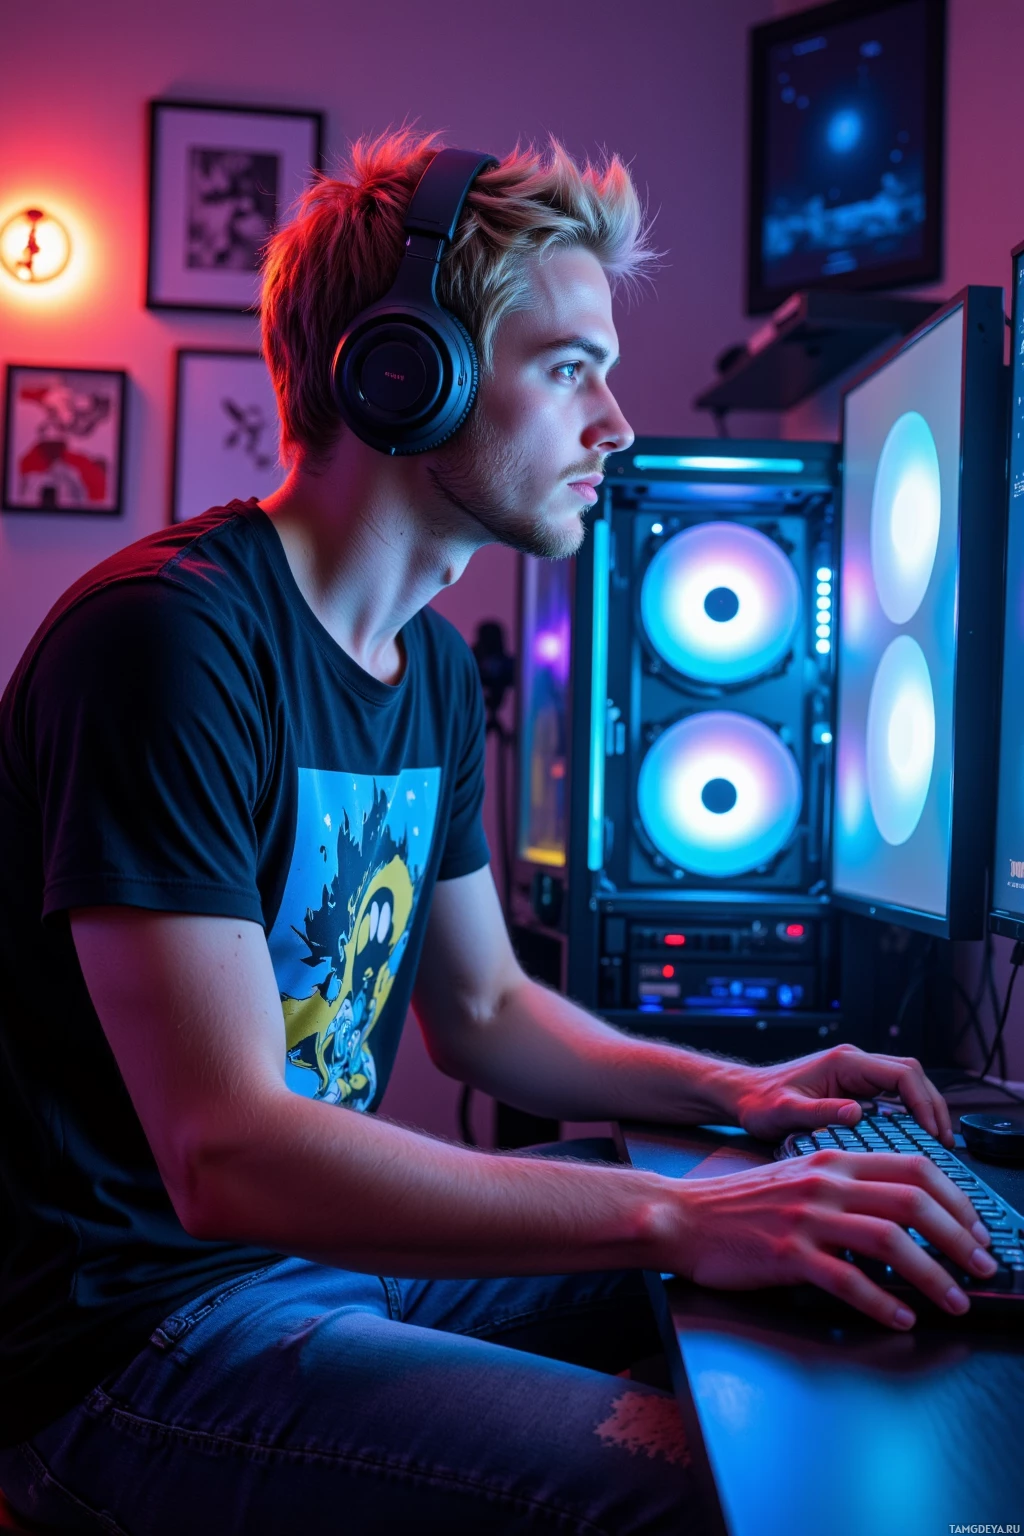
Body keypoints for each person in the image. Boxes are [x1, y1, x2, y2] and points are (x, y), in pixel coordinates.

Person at [0, 130, 997, 1536]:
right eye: (571, 368)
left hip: (309, 1269)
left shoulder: (422, 670)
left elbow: (482, 1010)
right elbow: (224, 1152)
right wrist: (674, 1218)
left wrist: (742, 1105)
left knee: (824, 1242)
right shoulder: (169, 644)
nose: (619, 428)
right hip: (131, 1348)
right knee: (711, 1493)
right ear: (403, 374)